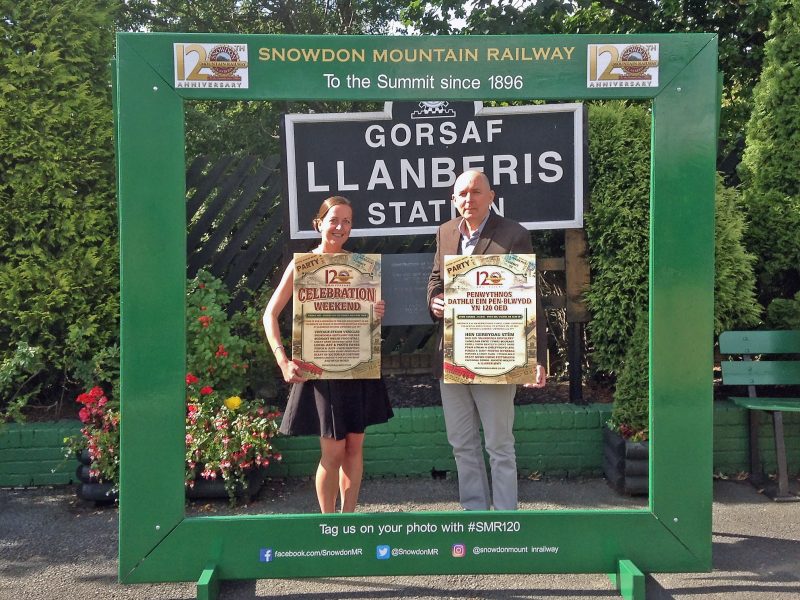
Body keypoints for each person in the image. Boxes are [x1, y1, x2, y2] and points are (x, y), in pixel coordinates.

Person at [263, 196, 393, 513]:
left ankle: (347, 521)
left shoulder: (360, 267)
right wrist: (283, 360)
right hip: (322, 371)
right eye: (334, 219)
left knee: (354, 448)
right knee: (332, 452)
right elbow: (269, 315)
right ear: (319, 223)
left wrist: (376, 311)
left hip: (357, 367)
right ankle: (328, 525)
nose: (340, 227)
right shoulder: (303, 266)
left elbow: (366, 318)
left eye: (347, 221)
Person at [427, 170, 546, 511]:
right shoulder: (444, 232)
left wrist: (537, 357)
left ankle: (506, 522)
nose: (469, 199)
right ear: (453, 200)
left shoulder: (513, 235)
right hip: (452, 356)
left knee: (499, 444)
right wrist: (434, 301)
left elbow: (530, 297)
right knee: (462, 443)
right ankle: (476, 516)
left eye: (476, 192)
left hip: (496, 353)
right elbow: (435, 280)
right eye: (461, 194)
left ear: (491, 195)